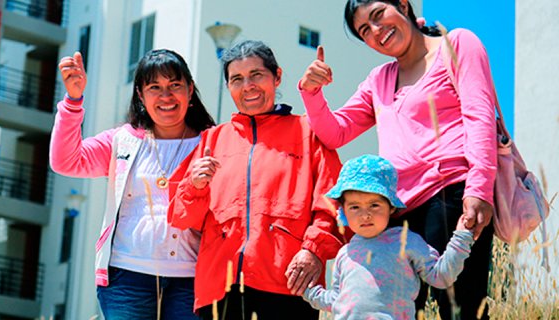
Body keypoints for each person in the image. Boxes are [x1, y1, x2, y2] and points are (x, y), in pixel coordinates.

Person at [298, 0, 497, 319]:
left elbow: (480, 115)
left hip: (449, 196)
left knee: (460, 310)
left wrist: (479, 189)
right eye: (365, 29)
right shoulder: (379, 79)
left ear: (403, 5)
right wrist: (311, 92)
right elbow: (335, 133)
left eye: (378, 15)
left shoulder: (456, 44)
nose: (376, 31)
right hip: (397, 212)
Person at [168, 40, 344, 320]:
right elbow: (181, 216)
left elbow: (335, 202)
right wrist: (195, 186)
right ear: (228, 87)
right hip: (218, 289)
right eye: (237, 79)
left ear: (277, 77)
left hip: (290, 285)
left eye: (256, 75)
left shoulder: (308, 132)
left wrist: (313, 251)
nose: (247, 85)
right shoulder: (212, 139)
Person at [50, 49, 215, 319]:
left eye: (175, 85)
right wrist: (73, 101)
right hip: (126, 277)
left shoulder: (213, 143)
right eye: (154, 87)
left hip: (192, 280)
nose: (166, 96)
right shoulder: (122, 141)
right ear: (140, 94)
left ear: (190, 89)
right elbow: (65, 161)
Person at [303, 154, 474, 319]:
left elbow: (442, 276)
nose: (365, 215)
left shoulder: (406, 242)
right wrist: (308, 291)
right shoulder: (345, 254)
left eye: (374, 205)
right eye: (355, 207)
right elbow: (337, 300)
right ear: (344, 210)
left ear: (391, 206)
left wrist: (461, 238)